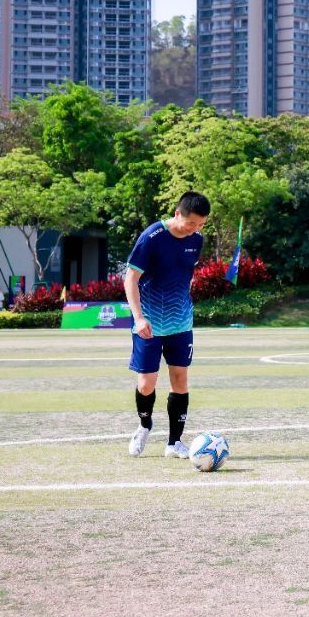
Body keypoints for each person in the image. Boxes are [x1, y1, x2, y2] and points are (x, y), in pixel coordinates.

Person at [123, 191, 210, 459]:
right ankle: (144, 425)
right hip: (148, 323)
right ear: (177, 214)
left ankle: (174, 443)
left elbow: (183, 274)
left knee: (180, 379)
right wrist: (138, 318)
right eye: (192, 223)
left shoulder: (196, 241)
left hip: (181, 323)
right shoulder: (152, 237)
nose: (196, 229)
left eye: (202, 224)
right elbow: (131, 279)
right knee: (147, 384)